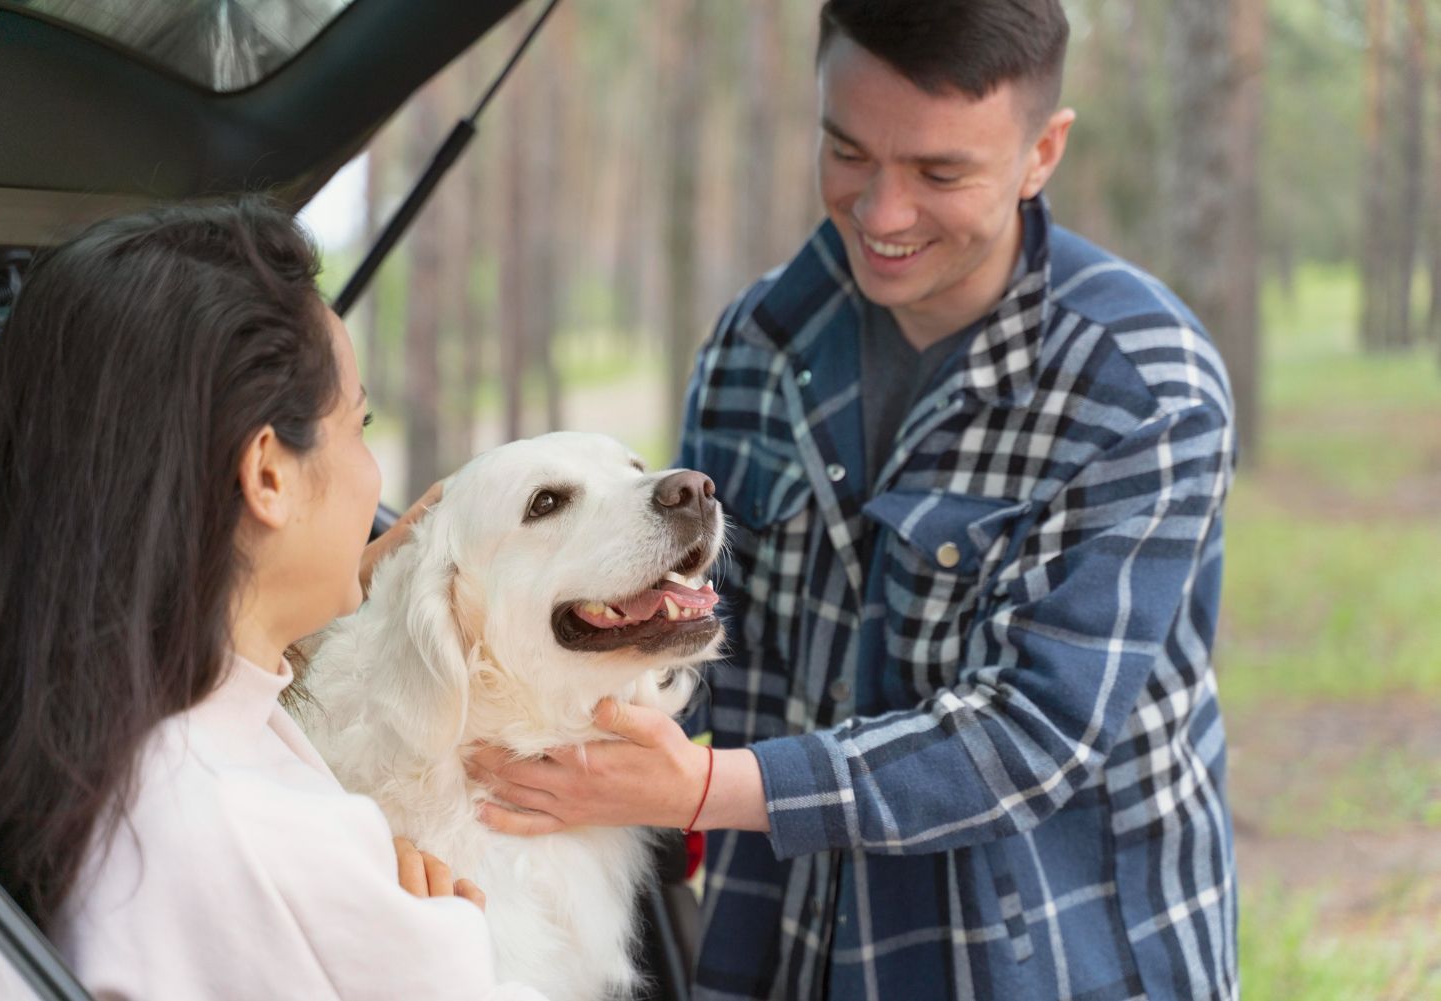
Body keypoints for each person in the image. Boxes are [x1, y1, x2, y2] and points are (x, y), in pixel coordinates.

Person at [467, 2, 1238, 998]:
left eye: (939, 172)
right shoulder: (758, 340)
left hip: (1049, 953)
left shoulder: (1140, 386)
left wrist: (703, 787)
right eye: (846, 150)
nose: (880, 212)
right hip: (787, 941)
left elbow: (1030, 736)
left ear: (1043, 150)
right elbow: (699, 629)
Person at [0, 200, 545, 1000]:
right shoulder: (250, 831)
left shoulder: (74, 740)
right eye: (358, 425)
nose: (374, 479)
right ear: (267, 473)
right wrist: (452, 936)